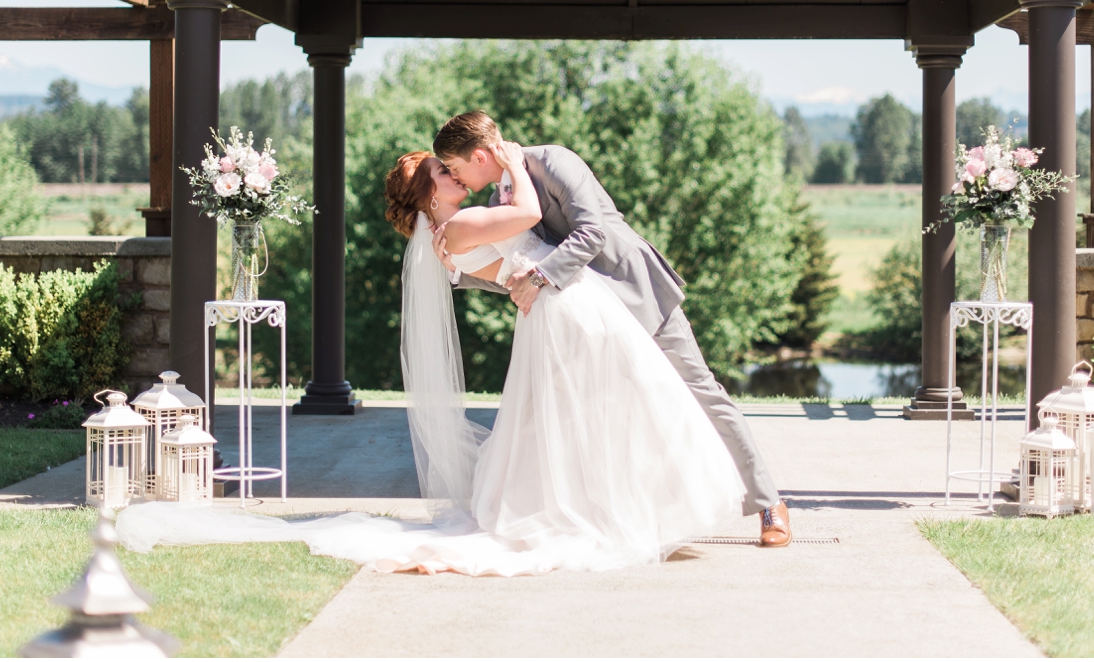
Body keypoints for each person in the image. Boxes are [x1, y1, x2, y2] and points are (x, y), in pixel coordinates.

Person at [116, 139, 746, 576]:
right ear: (430, 196)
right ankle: (614, 510)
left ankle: (616, 504)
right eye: (444, 175)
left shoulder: (455, 233)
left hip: (563, 307)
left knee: (598, 415)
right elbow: (527, 213)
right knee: (620, 407)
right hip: (565, 311)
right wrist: (509, 159)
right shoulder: (462, 228)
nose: (455, 176)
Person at [432, 111, 791, 547]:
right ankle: (640, 516)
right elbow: (513, 268)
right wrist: (455, 269)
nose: (456, 177)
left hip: (635, 292)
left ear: (481, 155)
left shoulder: (554, 162)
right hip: (587, 322)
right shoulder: (496, 203)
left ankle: (769, 502)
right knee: (613, 418)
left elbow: (592, 232)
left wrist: (541, 278)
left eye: (455, 166)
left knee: (702, 391)